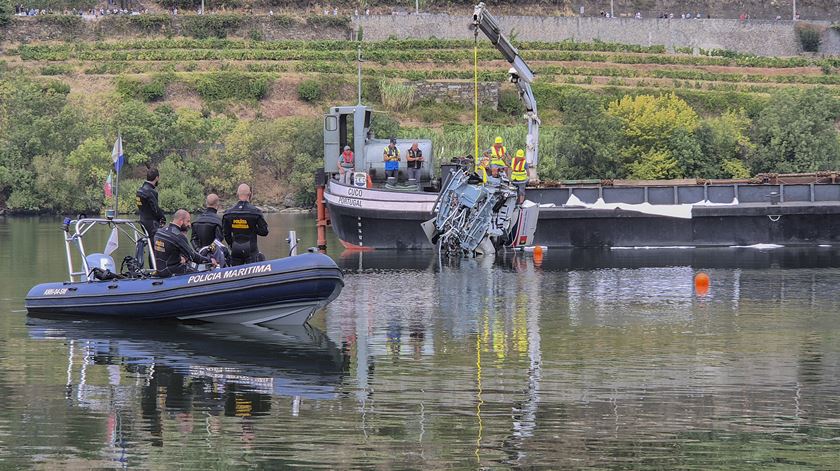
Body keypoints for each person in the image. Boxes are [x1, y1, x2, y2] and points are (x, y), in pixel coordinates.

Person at [153, 209, 214, 277]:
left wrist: (182, 257)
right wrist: (210, 260)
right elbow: (193, 257)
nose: (189, 224)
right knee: (202, 270)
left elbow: (168, 251)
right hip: (172, 272)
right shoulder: (178, 236)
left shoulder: (159, 231)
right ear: (181, 221)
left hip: (161, 270)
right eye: (188, 221)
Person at [222, 184, 269, 266]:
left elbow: (226, 233)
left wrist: (231, 244)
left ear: (237, 194)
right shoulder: (255, 212)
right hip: (251, 249)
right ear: (250, 194)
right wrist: (252, 228)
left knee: (235, 274)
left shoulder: (228, 213)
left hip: (235, 248)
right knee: (253, 275)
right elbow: (264, 232)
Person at [191, 193, 229, 266]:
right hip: (215, 256)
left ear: (206, 203)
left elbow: (193, 239)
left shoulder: (196, 221)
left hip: (200, 255)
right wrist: (208, 250)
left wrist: (199, 250)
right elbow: (217, 241)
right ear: (217, 204)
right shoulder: (218, 222)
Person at [136, 168, 166, 240]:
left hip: (142, 222)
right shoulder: (151, 192)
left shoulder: (140, 191)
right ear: (157, 178)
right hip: (152, 224)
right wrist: (163, 218)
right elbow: (155, 209)